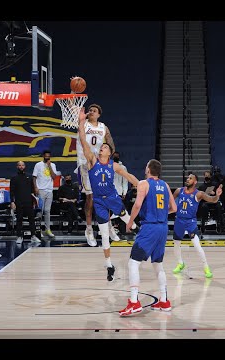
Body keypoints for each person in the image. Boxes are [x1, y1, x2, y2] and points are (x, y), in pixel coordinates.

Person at [78, 109, 139, 281]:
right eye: (101, 146)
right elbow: (83, 141)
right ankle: (109, 265)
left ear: (108, 153)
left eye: (104, 147)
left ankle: (136, 229)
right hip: (99, 202)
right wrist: (81, 122)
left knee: (128, 221)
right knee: (104, 234)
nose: (100, 148)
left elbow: (129, 177)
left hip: (113, 198)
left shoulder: (113, 166)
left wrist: (140, 184)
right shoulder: (91, 161)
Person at [118, 159, 177, 316]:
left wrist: (130, 222)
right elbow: (174, 208)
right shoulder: (165, 185)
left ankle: (134, 302)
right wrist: (162, 213)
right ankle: (164, 301)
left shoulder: (144, 183)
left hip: (149, 227)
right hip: (163, 228)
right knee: (158, 264)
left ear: (149, 169)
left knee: (133, 263)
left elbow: (137, 205)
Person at [75, 103, 116, 246]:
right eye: (90, 110)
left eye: (94, 111)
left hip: (99, 164)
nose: (91, 112)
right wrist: (74, 92)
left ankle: (108, 225)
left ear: (99, 114)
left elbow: (111, 143)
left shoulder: (103, 127)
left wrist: (108, 157)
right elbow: (72, 106)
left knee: (105, 195)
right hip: (84, 163)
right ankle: (89, 229)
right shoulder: (82, 123)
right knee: (90, 198)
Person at [172, 173, 222, 278]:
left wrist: (217, 195)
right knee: (176, 243)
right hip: (179, 220)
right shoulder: (178, 191)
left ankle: (206, 267)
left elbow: (212, 200)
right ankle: (180, 263)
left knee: (197, 245)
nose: (188, 179)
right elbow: (170, 203)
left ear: (195, 182)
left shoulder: (199, 194)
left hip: (190, 222)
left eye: (190, 178)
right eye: (187, 178)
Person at [10, 161, 40, 244]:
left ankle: (33, 236)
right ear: (17, 166)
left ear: (25, 166)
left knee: (31, 219)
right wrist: (12, 202)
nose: (21, 166)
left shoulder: (29, 176)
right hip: (19, 202)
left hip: (29, 201)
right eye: (19, 165)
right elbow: (11, 191)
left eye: (22, 165)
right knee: (19, 220)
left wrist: (34, 200)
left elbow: (32, 190)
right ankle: (19, 236)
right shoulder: (14, 177)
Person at [32, 150, 58, 239]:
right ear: (43, 156)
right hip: (41, 190)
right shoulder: (38, 165)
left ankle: (48, 229)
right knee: (40, 211)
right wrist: (35, 187)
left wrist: (50, 166)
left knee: (47, 211)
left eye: (49, 156)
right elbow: (34, 177)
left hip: (49, 190)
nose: (47, 157)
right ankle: (38, 230)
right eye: (46, 156)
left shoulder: (53, 165)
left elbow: (54, 177)